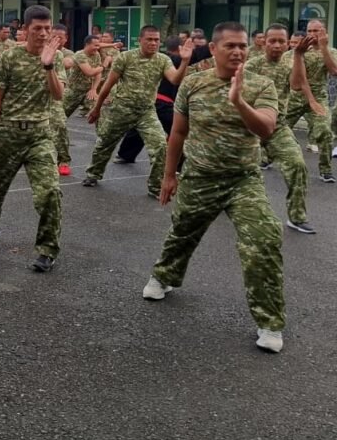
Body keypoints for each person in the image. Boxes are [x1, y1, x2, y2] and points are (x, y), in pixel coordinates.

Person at [143, 22, 285, 354]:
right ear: (215, 49)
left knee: (264, 240)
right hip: (200, 177)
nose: (238, 51)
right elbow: (177, 133)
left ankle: (270, 322)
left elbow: (265, 128)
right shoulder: (193, 83)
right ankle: (163, 276)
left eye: (243, 46)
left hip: (243, 180)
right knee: (182, 233)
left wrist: (239, 102)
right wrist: (169, 175)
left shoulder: (261, 85)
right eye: (231, 46)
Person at [0, 5, 66, 272]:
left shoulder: (56, 57)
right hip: (9, 133)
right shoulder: (10, 57)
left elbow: (58, 95)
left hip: (39, 135)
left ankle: (46, 250)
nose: (43, 34)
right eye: (37, 29)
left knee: (49, 193)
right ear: (26, 30)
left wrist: (48, 66)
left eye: (47, 28)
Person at [83, 26, 193, 197]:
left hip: (146, 112)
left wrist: (185, 61)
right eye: (149, 39)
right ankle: (93, 174)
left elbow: (175, 79)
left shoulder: (163, 60)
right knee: (104, 143)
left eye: (156, 40)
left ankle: (155, 187)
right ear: (140, 40)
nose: (153, 43)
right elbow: (108, 85)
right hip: (121, 109)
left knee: (160, 147)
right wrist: (97, 108)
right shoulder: (126, 57)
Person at [246, 24, 316, 233]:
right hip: (250, 127)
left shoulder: (290, 64)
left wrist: (298, 56)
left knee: (297, 164)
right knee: (240, 170)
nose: (276, 46)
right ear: (263, 42)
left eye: (281, 42)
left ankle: (296, 217)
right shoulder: (252, 66)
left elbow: (296, 85)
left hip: (278, 126)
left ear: (287, 44)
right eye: (272, 41)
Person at [114, 36, 182, 164]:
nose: (153, 43)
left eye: (156, 40)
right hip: (163, 102)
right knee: (179, 131)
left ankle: (125, 154)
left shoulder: (160, 59)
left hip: (153, 101)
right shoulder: (172, 60)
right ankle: (178, 164)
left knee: (140, 127)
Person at [284, 19, 337, 182]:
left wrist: (323, 48)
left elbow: (334, 71)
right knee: (277, 128)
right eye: (310, 31)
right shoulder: (295, 52)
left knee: (325, 131)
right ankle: (265, 158)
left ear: (324, 32)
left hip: (319, 96)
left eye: (317, 31)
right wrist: (310, 100)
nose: (313, 35)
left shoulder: (331, 51)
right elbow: (299, 80)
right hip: (295, 96)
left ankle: (326, 170)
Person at [50, 24, 76, 176]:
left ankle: (64, 160)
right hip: (34, 97)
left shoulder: (66, 54)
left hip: (57, 95)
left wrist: (51, 55)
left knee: (60, 125)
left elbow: (68, 63)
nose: (57, 40)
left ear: (66, 39)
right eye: (54, 36)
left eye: (60, 37)